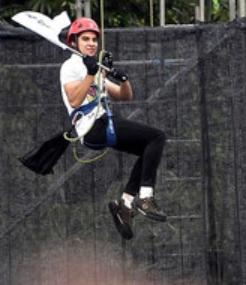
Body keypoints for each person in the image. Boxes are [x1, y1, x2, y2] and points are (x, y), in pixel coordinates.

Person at [60, 17, 167, 240]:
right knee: (156, 137)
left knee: (148, 149)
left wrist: (123, 78)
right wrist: (90, 74)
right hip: (92, 127)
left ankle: (126, 202)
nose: (91, 43)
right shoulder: (71, 66)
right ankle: (145, 198)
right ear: (74, 43)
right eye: (85, 39)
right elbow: (75, 101)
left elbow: (125, 96)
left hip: (103, 124)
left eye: (94, 40)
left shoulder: (95, 69)